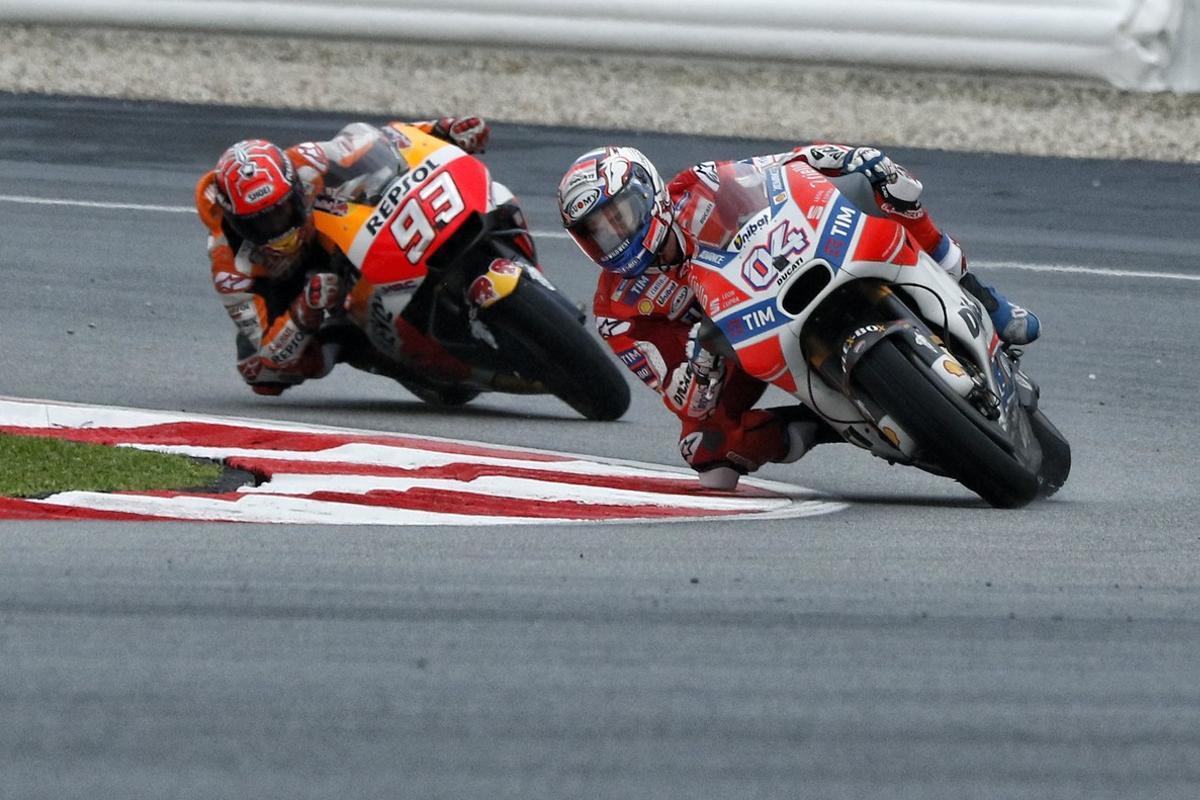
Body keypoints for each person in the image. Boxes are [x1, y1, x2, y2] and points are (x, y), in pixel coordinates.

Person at [557, 143, 1041, 488]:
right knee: (708, 457)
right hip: (734, 346)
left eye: (619, 215)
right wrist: (699, 366)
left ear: (649, 192)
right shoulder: (617, 311)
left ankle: (983, 298)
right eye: (597, 231)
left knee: (892, 190)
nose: (614, 236)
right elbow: (680, 396)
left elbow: (783, 168)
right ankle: (821, 424)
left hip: (788, 269)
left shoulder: (700, 186)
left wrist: (852, 158)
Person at [194, 116, 492, 395]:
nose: (277, 224)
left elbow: (389, 140)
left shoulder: (307, 161)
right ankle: (354, 343)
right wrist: (305, 308)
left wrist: (443, 130)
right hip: (290, 289)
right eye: (260, 221)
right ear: (237, 222)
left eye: (282, 208)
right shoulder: (229, 265)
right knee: (259, 372)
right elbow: (268, 350)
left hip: (340, 233)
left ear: (293, 184)